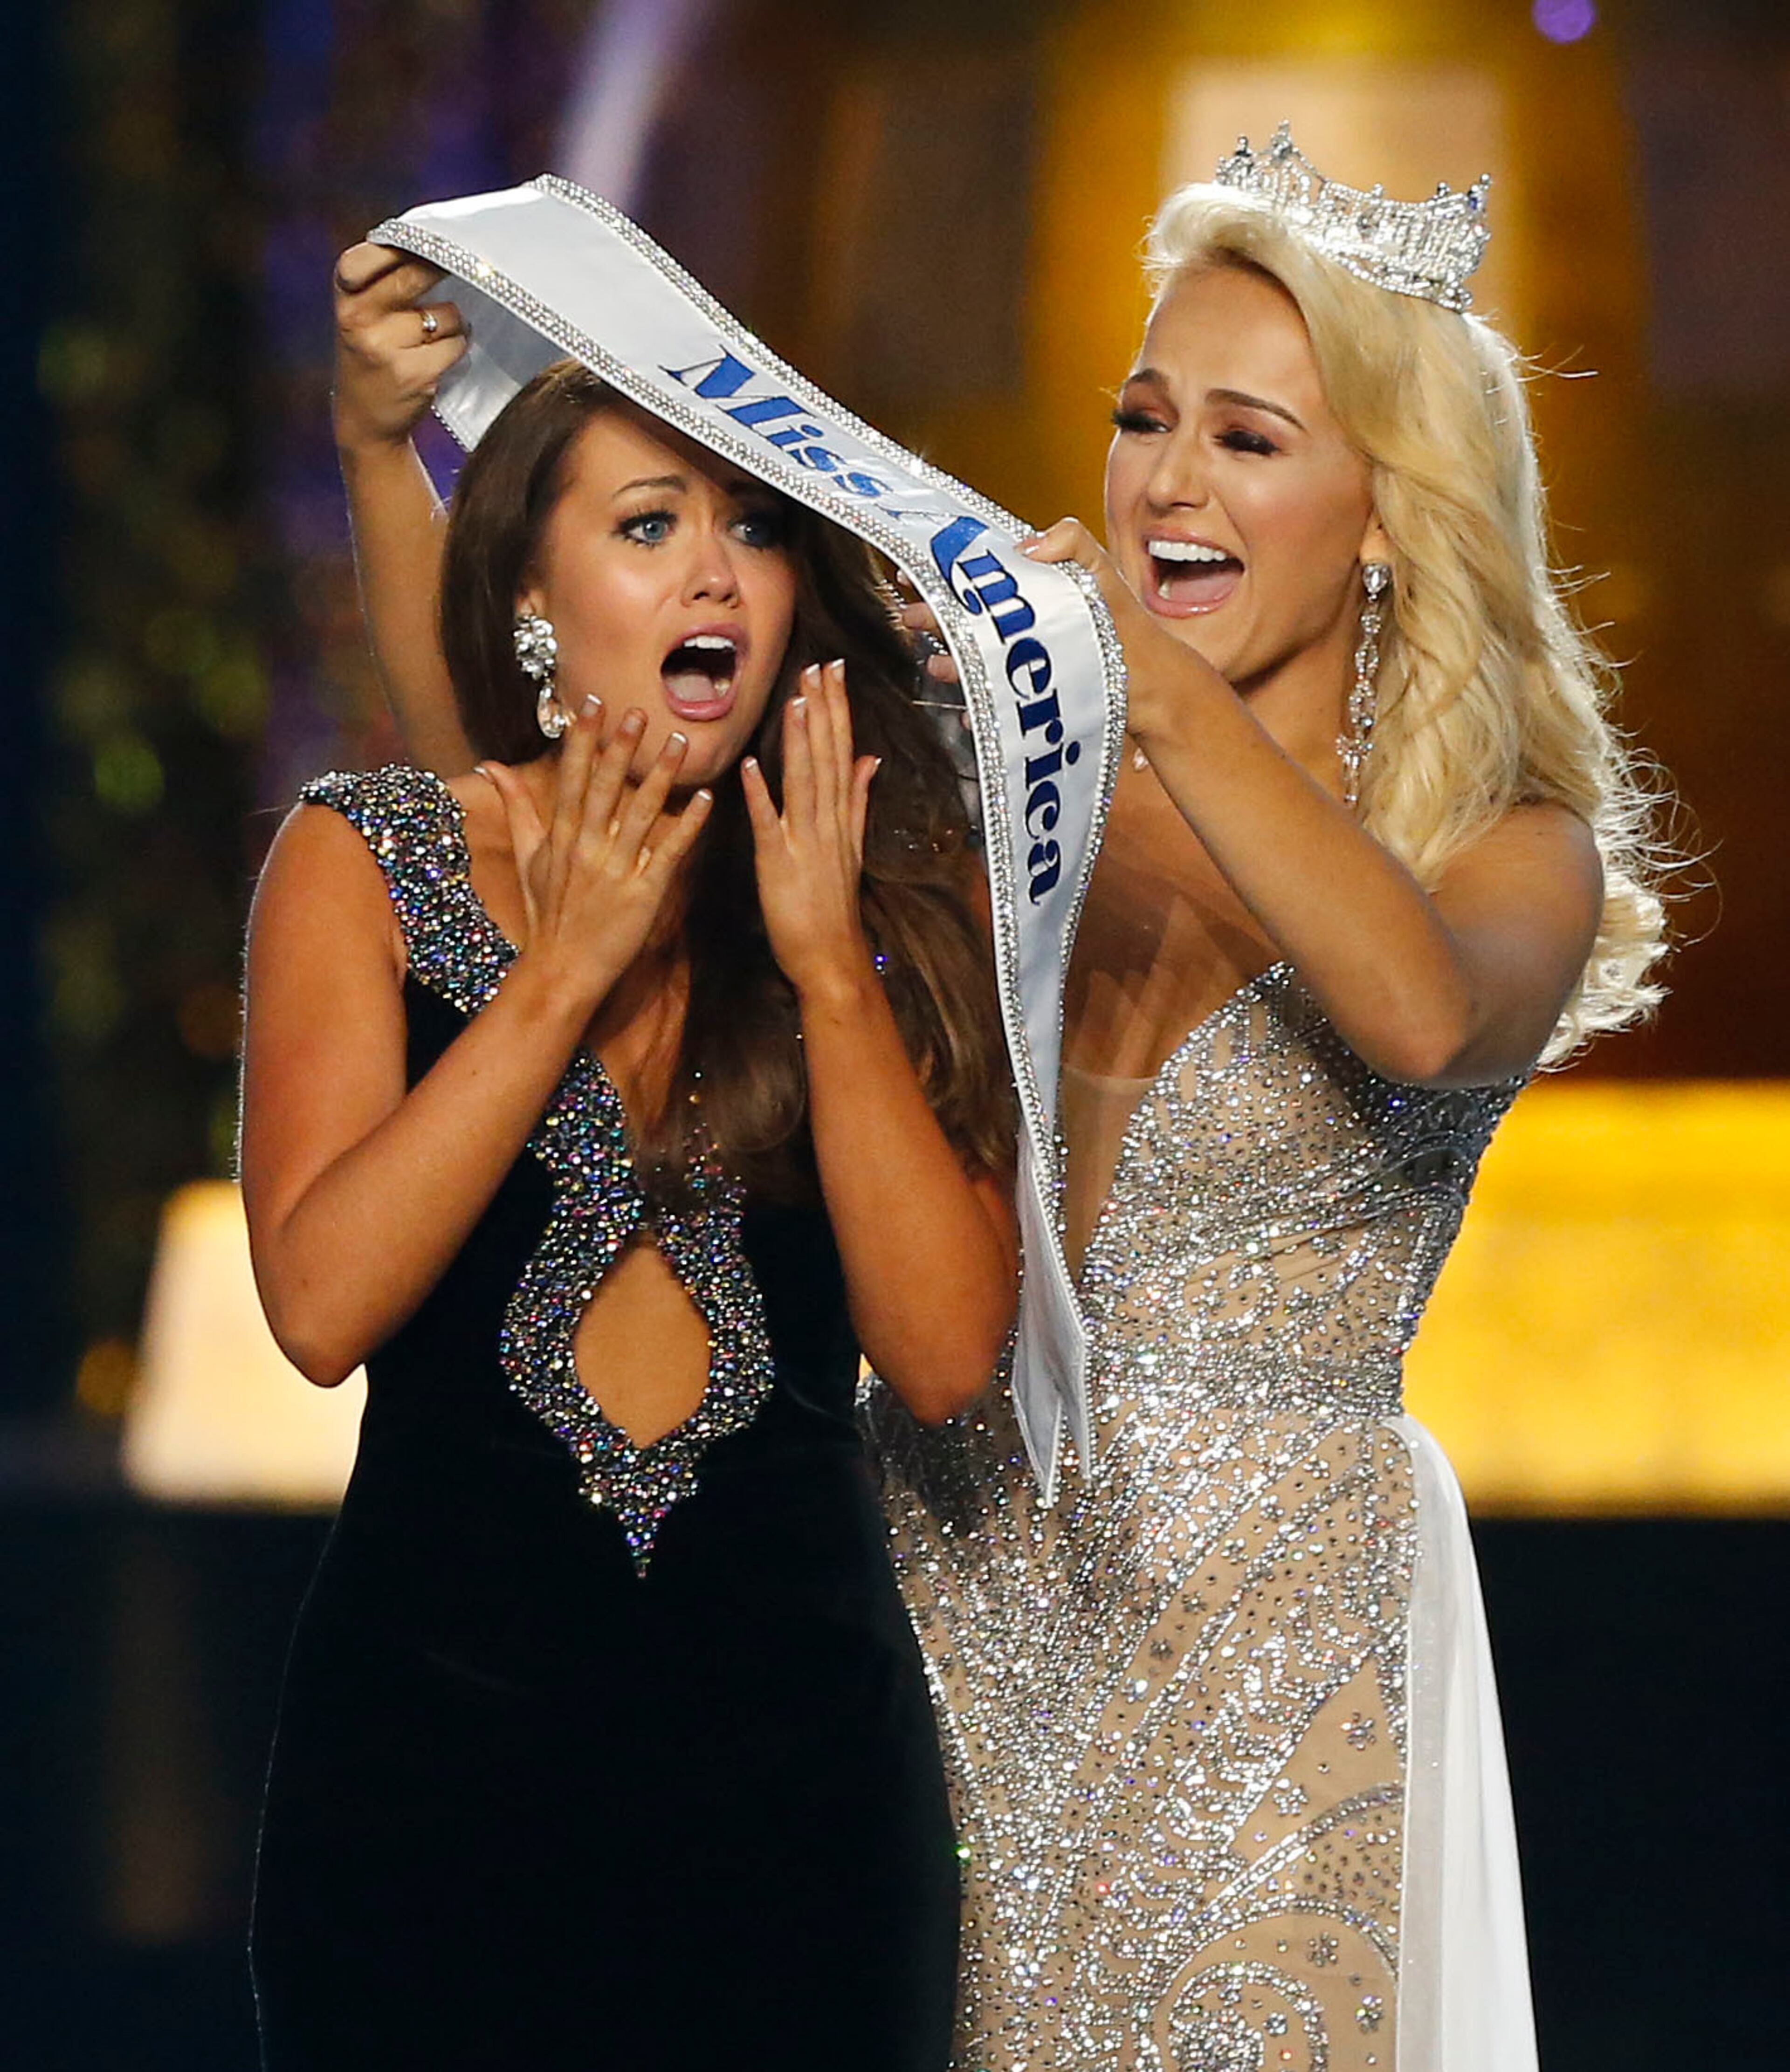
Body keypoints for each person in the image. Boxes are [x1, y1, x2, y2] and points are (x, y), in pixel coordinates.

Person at [330, 130, 1671, 2066]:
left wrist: (1139, 686)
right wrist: (388, 457)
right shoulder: (989, 791)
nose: (1168, 480)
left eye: (1250, 436)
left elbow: (1415, 1006)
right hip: (922, 1609)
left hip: (1268, 1660)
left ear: (1388, 513)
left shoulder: (1502, 848)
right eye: (1146, 419)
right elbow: (544, 809)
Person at [240, 341, 1019, 2071]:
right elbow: (316, 1309)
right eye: (650, 522)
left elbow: (951, 1357)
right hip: (436, 1787)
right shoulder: (365, 860)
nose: (713, 571)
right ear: (529, 591)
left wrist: (829, 970)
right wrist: (560, 974)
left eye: (751, 526)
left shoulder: (882, 888)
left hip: (801, 1804)